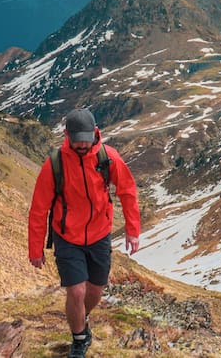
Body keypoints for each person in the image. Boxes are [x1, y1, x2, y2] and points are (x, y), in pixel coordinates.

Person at [28, 107, 141, 357]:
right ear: (67, 135)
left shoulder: (107, 157)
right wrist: (35, 249)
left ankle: (81, 317)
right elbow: (38, 209)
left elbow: (128, 192)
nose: (81, 144)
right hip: (67, 236)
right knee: (76, 290)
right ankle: (79, 339)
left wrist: (133, 231)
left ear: (95, 133)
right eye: (76, 139)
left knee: (95, 289)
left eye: (86, 139)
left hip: (100, 234)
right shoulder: (55, 164)